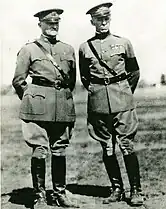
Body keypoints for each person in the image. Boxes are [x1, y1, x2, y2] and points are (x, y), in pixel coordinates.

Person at [79, 2, 143, 206]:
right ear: (92, 22)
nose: (103, 22)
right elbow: (85, 77)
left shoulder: (123, 42)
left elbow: (134, 72)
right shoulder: (85, 48)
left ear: (110, 19)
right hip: (98, 103)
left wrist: (124, 92)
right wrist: (100, 91)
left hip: (122, 102)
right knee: (107, 147)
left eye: (106, 18)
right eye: (99, 19)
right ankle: (116, 189)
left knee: (126, 146)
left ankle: (135, 191)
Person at [12, 8, 78, 208]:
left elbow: (71, 81)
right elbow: (18, 80)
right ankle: (39, 196)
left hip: (61, 106)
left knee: (59, 151)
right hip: (37, 108)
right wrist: (33, 98)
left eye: (56, 23)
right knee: (40, 150)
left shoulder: (67, 49)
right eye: (49, 23)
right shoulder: (29, 49)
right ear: (40, 24)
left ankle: (59, 194)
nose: (53, 26)